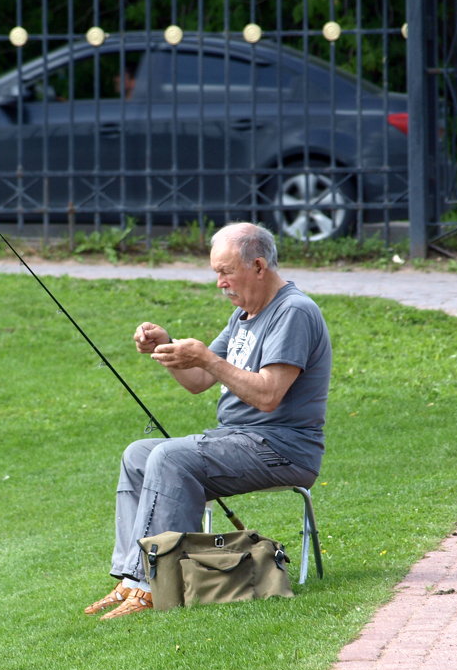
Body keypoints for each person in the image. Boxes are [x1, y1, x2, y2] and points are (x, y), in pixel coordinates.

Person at [85, 221, 333, 620]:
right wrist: (165, 347)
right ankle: (133, 581)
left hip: (281, 448)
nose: (219, 282)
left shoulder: (293, 313)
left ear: (257, 266)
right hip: (238, 440)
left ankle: (153, 584)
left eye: (225, 271)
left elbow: (268, 395)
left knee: (170, 457)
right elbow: (199, 380)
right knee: (138, 454)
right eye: (216, 272)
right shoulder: (245, 315)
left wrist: (209, 358)